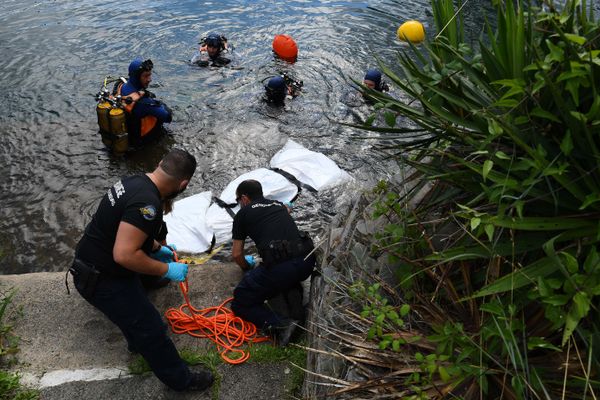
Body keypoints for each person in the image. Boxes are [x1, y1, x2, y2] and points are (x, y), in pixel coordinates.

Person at [70, 149, 214, 392]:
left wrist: (157, 248)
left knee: (135, 304)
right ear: (184, 184)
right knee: (152, 329)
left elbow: (128, 228)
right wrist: (166, 268)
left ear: (160, 164)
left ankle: (135, 343)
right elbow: (124, 254)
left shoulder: (134, 181)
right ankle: (182, 381)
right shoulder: (148, 204)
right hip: (102, 279)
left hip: (90, 263)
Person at [230, 180, 316, 346]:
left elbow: (236, 254)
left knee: (240, 300)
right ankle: (294, 300)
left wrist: (246, 267)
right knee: (284, 274)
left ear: (244, 198)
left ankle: (282, 326)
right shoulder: (278, 205)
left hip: (281, 268)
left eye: (238, 201)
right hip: (307, 260)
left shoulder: (243, 214)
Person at [120, 58, 173, 145]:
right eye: (146, 76)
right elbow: (167, 117)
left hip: (129, 134)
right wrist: (161, 105)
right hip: (142, 142)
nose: (150, 79)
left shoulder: (121, 87)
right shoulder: (143, 103)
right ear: (136, 77)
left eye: (150, 75)